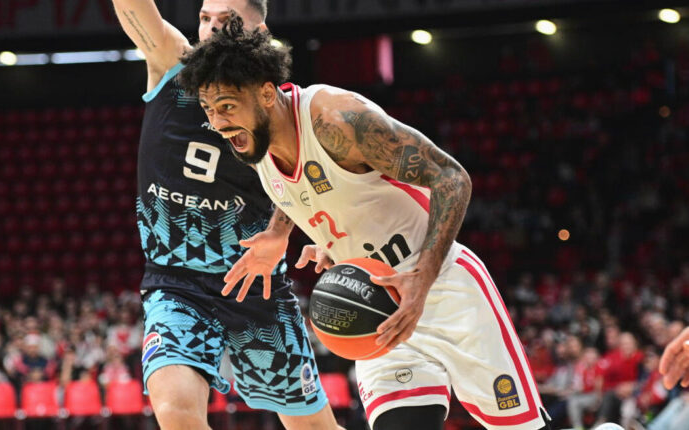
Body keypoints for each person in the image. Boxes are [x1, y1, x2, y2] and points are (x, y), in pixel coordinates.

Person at [178, 17, 552, 430]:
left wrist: (421, 281)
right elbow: (299, 188)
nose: (217, 122)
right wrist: (284, 233)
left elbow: (451, 178)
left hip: (441, 288)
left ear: (267, 94)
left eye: (227, 107)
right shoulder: (252, 140)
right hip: (373, 308)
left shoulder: (338, 120)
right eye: (209, 110)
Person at [110, 1, 341, 429]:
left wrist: (280, 233)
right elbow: (134, 11)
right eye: (205, 18)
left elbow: (302, 177)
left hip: (253, 282)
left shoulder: (276, 103)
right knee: (175, 411)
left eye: (227, 19)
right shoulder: (171, 63)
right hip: (176, 281)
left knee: (312, 427)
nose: (212, 28)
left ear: (260, 30)